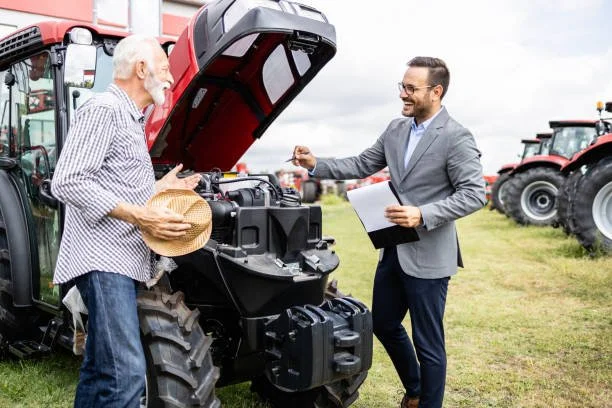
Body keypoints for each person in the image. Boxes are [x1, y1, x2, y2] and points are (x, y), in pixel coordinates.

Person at [292, 57, 486, 408]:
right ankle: (416, 389)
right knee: (382, 323)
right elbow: (362, 163)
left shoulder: (456, 137)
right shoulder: (396, 129)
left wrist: (422, 214)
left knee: (429, 344)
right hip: (393, 249)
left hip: (429, 256)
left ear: (436, 91)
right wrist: (316, 164)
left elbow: (474, 194)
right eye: (403, 86)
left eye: (412, 88)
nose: (404, 94)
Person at [51, 35, 202, 408]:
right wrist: (143, 214)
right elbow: (67, 181)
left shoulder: (130, 119)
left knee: (101, 366)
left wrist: (156, 187)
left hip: (120, 262)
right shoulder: (105, 109)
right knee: (127, 373)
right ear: (141, 69)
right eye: (165, 69)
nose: (170, 78)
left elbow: (112, 184)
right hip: (104, 262)